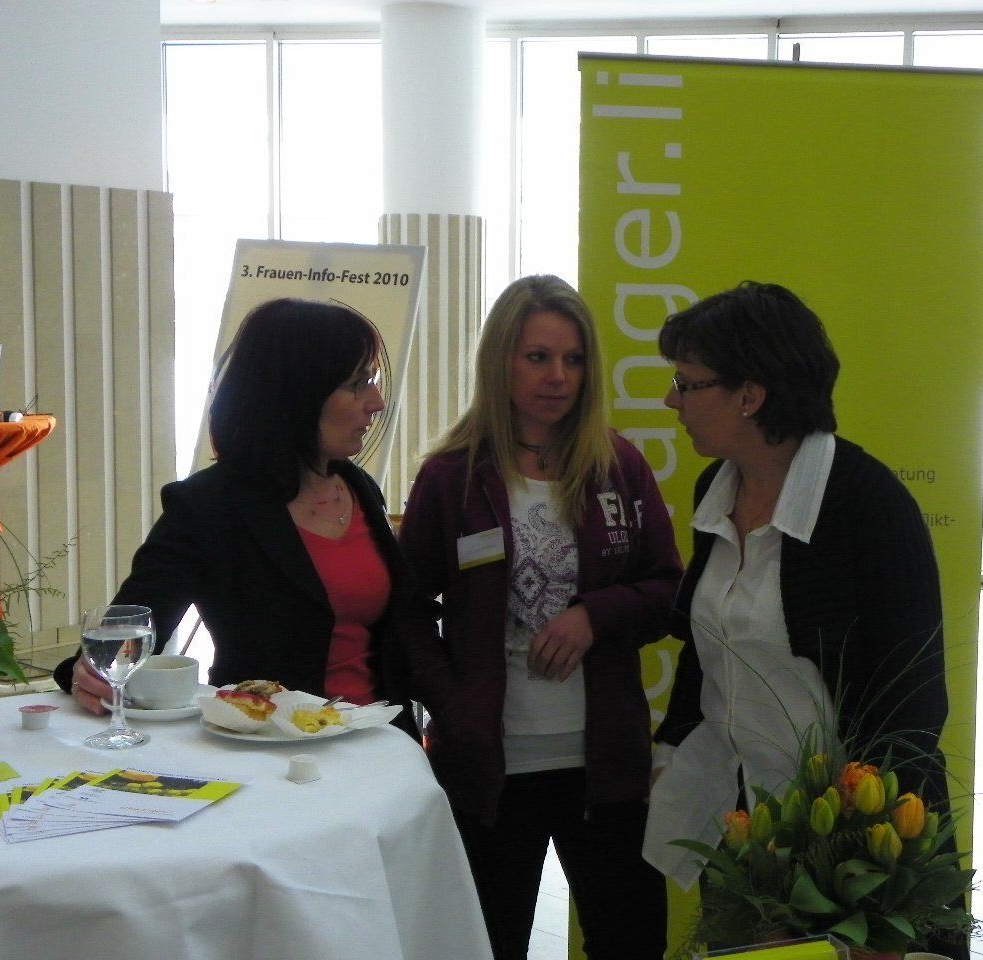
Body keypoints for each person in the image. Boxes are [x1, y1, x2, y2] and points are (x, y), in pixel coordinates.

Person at [643, 282, 953, 915]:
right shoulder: (716, 486)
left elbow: (911, 702)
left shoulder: (869, 506)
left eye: (687, 383)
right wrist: (672, 749)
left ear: (750, 396)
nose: (672, 400)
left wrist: (859, 846)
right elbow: (709, 644)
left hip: (850, 840)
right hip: (738, 817)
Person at [398, 275, 680, 960]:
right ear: (501, 361)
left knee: (631, 943)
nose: (558, 376)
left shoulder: (617, 465)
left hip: (605, 765)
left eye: (573, 359)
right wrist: (455, 706)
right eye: (538, 357)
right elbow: (406, 617)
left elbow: (668, 588)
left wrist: (595, 615)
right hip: (490, 769)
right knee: (487, 946)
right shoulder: (452, 476)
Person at [56, 297, 420, 736]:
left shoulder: (360, 489)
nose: (377, 402)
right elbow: (130, 632)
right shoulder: (208, 506)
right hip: (268, 745)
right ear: (298, 393)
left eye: (372, 380)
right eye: (358, 384)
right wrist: (88, 672)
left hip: (379, 736)